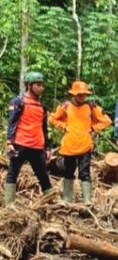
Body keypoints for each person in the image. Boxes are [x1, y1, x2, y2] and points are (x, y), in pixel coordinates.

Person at [48, 81, 112, 205]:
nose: (82, 96)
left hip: (85, 145)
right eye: (79, 94)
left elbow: (106, 120)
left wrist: (93, 128)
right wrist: (64, 126)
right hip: (69, 145)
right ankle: (67, 198)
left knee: (84, 172)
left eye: (84, 94)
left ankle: (87, 200)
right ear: (74, 94)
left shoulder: (91, 106)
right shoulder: (66, 106)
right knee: (68, 171)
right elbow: (52, 118)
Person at [5, 71, 52, 208]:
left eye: (42, 85)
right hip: (20, 143)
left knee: (43, 174)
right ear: (29, 85)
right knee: (13, 172)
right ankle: (10, 204)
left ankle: (51, 200)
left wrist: (47, 147)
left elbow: (44, 128)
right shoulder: (18, 102)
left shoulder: (42, 106)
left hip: (37, 145)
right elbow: (12, 122)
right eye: (38, 85)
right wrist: (9, 141)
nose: (41, 88)